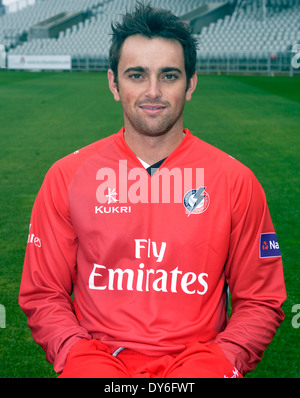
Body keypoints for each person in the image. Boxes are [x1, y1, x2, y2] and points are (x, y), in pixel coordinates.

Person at [19, 3, 286, 378]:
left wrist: (222, 359)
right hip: (97, 362)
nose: (153, 91)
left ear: (190, 84)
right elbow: (44, 293)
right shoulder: (67, 176)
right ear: (114, 84)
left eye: (170, 75)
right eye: (137, 75)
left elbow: (260, 300)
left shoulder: (236, 181)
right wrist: (77, 356)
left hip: (200, 364)